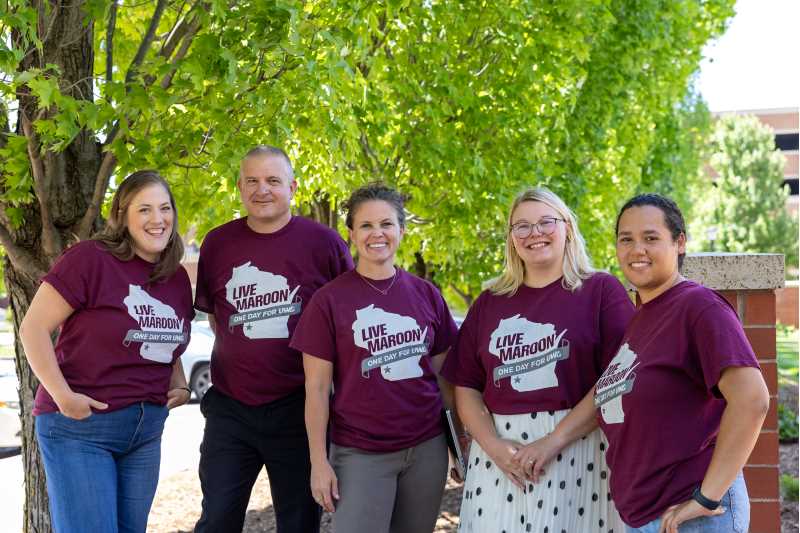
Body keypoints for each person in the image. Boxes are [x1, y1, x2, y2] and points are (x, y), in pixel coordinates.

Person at [521, 193, 769, 533]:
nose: (637, 250)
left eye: (651, 238)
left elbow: (752, 400)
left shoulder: (698, 307)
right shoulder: (642, 318)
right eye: (626, 239)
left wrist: (708, 497)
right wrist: (553, 441)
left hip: (691, 515)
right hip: (645, 516)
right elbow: (606, 393)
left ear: (680, 242)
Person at [440, 187, 634, 533]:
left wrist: (554, 440)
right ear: (511, 238)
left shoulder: (602, 292)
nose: (535, 233)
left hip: (578, 449)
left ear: (568, 229)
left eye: (546, 222)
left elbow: (615, 381)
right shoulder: (490, 302)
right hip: (500, 459)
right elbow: (465, 387)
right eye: (522, 226)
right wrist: (494, 447)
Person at [20, 170, 194, 533]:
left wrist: (178, 383)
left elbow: (166, 340)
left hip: (145, 431)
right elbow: (33, 328)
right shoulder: (90, 259)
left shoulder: (175, 277)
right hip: (81, 429)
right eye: (144, 209)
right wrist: (63, 396)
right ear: (123, 216)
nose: (157, 219)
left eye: (164, 208)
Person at [193, 145, 353, 533]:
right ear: (239, 187)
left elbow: (345, 319)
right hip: (231, 408)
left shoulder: (325, 243)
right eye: (252, 181)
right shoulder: (218, 244)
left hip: (299, 409)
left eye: (272, 181)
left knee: (299, 523)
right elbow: (219, 319)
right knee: (216, 520)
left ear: (293, 187)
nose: (261, 190)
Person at [290, 183, 460, 533]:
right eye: (366, 226)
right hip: (360, 452)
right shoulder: (329, 301)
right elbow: (317, 389)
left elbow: (444, 378)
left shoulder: (426, 294)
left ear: (401, 230)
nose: (376, 234)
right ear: (351, 233)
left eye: (386, 224)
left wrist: (457, 442)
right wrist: (318, 463)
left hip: (426, 449)